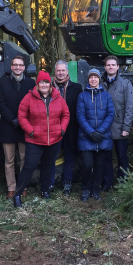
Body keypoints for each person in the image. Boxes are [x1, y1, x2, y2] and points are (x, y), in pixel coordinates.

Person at [13, 71, 70, 208]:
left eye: (46, 82)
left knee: (48, 166)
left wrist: (62, 129)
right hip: (35, 140)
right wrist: (31, 131)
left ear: (50, 84)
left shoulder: (58, 97)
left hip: (54, 139)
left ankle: (45, 190)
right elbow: (21, 116)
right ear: (37, 84)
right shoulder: (28, 98)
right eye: (41, 82)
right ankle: (18, 194)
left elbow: (66, 114)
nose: (44, 85)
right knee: (29, 167)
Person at [0, 55, 35, 198]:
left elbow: (33, 104)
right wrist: (12, 119)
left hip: (25, 127)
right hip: (8, 125)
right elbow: (0, 103)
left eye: (20, 65)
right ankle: (11, 187)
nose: (18, 67)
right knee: (9, 160)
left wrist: (23, 120)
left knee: (24, 159)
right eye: (15, 65)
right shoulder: (3, 83)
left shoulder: (31, 83)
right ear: (11, 67)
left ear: (24, 68)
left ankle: (22, 186)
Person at [76, 68, 115, 202]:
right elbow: (80, 116)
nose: (93, 79)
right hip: (86, 137)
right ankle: (86, 188)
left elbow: (110, 115)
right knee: (87, 165)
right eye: (91, 77)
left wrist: (101, 132)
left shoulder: (106, 96)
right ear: (88, 79)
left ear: (99, 79)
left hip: (102, 137)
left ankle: (95, 189)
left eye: (96, 77)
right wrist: (91, 132)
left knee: (99, 165)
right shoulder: (82, 96)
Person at [101, 55, 133, 190]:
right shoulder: (99, 83)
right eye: (108, 65)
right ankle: (107, 183)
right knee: (105, 157)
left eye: (113, 65)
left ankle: (122, 183)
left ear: (118, 67)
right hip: (104, 127)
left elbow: (130, 107)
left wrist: (126, 127)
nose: (110, 67)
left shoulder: (125, 84)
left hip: (120, 126)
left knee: (122, 157)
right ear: (105, 67)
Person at [51, 60, 83, 196]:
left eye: (63, 70)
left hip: (70, 129)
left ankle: (67, 184)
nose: (61, 73)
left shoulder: (77, 88)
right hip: (52, 128)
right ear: (55, 72)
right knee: (51, 156)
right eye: (58, 70)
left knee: (70, 156)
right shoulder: (48, 87)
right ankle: (50, 183)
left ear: (67, 72)